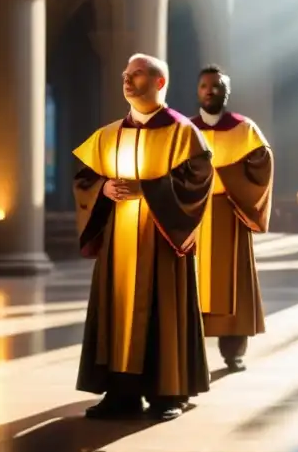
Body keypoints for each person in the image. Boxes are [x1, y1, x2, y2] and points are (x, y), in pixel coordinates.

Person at [72, 53, 214, 420]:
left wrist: (147, 190)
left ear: (159, 82)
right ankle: (121, 393)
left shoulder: (183, 132)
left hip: (162, 242)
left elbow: (197, 181)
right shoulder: (108, 134)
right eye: (125, 74)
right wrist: (102, 190)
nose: (127, 79)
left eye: (136, 74)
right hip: (119, 245)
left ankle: (168, 395)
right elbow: (84, 179)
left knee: (162, 314)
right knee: (116, 315)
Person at [190, 65, 273, 372]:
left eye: (216, 85)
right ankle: (189, 348)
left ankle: (234, 351)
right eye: (204, 86)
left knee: (233, 283)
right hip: (193, 216)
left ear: (226, 92)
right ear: (197, 91)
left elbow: (262, 163)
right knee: (189, 284)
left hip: (230, 212)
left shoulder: (244, 128)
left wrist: (226, 177)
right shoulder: (186, 129)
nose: (210, 90)